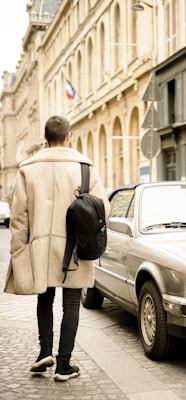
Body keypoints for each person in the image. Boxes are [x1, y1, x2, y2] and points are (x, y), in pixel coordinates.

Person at [4, 115, 110, 382]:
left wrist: (18, 251)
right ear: (69, 136)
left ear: (44, 137)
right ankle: (64, 365)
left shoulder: (28, 168)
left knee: (44, 297)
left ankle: (44, 352)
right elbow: (103, 208)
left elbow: (19, 216)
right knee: (72, 303)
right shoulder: (85, 167)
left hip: (40, 246)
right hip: (75, 247)